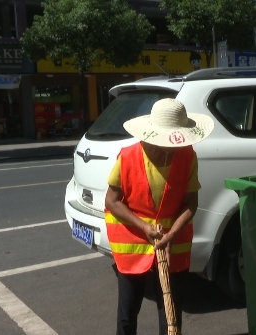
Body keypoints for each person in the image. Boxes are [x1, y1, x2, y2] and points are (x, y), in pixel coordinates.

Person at [104, 98, 214, 335]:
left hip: (172, 246)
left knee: (170, 314)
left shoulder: (187, 156)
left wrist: (172, 234)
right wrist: (143, 227)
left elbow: (191, 203)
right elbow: (111, 201)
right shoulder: (128, 157)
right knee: (127, 313)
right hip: (133, 247)